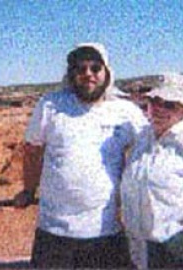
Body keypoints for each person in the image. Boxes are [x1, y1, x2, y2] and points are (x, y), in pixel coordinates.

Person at [13, 42, 149, 268]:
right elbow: (33, 150)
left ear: (106, 72)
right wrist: (28, 190)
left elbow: (150, 146)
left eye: (95, 68)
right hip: (54, 231)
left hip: (105, 233)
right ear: (71, 74)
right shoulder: (50, 105)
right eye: (80, 68)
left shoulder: (125, 112)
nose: (88, 74)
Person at [121, 83, 183, 269]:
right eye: (155, 101)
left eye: (169, 104)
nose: (159, 108)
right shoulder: (142, 137)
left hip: (173, 245)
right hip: (138, 245)